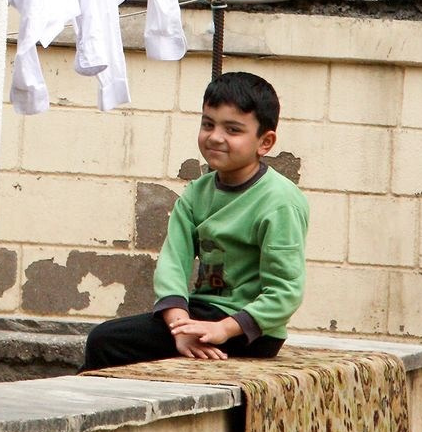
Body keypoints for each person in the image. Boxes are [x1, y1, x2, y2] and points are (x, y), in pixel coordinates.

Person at [84, 70, 309, 368]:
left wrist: (222, 329)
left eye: (233, 130)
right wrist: (180, 325)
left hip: (251, 330)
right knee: (110, 338)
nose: (215, 137)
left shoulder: (279, 201)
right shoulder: (196, 192)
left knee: (106, 341)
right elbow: (173, 265)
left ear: (265, 142)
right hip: (203, 312)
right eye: (208, 124)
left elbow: (286, 290)